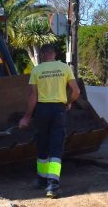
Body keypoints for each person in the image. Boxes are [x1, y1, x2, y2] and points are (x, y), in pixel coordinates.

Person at [18, 44, 80, 198]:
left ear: (43, 54)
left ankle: (41, 180)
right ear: (54, 53)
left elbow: (33, 96)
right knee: (56, 146)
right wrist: (68, 102)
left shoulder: (36, 70)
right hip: (58, 110)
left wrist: (26, 117)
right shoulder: (64, 68)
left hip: (42, 111)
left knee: (42, 145)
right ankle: (52, 185)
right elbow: (76, 91)